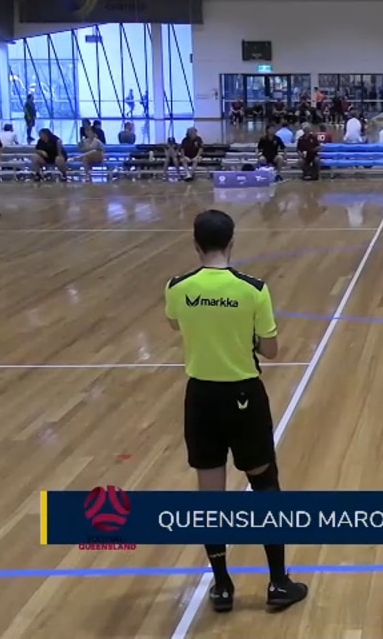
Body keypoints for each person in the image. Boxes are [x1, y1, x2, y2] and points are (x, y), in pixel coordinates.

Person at [164, 209, 309, 614]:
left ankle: (223, 586)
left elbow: (177, 326)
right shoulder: (253, 290)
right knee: (265, 488)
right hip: (244, 398)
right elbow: (271, 349)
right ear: (232, 242)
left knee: (210, 497)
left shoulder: (177, 287)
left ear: (195, 244)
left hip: (201, 399)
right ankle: (278, 582)